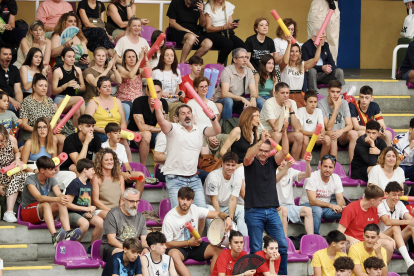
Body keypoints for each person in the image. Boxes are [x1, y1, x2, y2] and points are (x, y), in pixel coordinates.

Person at [155, 98, 221, 211]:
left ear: (192, 115)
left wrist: (212, 118)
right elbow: (161, 121)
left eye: (189, 113)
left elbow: (217, 131)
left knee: (202, 212)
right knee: (180, 215)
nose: (187, 116)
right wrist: (157, 107)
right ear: (177, 118)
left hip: (194, 178)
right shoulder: (173, 128)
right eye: (183, 113)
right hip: (175, 178)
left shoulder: (200, 129)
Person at [243, 128, 289, 275]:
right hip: (254, 211)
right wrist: (261, 141)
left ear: (270, 152)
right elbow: (247, 156)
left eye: (266, 151)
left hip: (272, 210)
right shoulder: (249, 163)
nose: (263, 153)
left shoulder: (272, 162)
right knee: (256, 249)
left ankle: (281, 274)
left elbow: (285, 151)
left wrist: (285, 133)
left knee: (282, 246)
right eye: (261, 150)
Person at [162, 187, 232, 276]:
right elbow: (167, 243)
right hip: (178, 247)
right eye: (182, 199)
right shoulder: (170, 217)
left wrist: (227, 217)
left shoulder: (195, 209)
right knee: (174, 255)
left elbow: (218, 214)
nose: (185, 202)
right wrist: (188, 243)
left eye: (188, 200)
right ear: (178, 199)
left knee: (218, 250)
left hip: (195, 245)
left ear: (192, 201)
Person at [20, 156, 82, 246]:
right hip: (27, 212)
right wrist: (57, 199)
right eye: (51, 169)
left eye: (54, 169)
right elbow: (39, 198)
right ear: (42, 170)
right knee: (46, 204)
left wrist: (63, 197)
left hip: (43, 212)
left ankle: (68, 232)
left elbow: (58, 194)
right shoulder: (30, 180)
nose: (54, 171)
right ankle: (54, 235)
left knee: (60, 203)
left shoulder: (51, 179)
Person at [337, 185, 395, 264]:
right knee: (354, 245)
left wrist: (388, 238)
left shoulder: (374, 209)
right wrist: (351, 239)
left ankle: (381, 270)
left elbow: (375, 231)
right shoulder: (351, 209)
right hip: (352, 241)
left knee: (389, 244)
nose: (382, 202)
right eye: (380, 200)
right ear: (372, 201)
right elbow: (339, 232)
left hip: (368, 239)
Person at [21, 117, 76, 191]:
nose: (42, 130)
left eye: (44, 127)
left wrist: (56, 169)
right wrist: (34, 171)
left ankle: (64, 199)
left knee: (71, 175)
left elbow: (54, 162)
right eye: (39, 127)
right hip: (33, 169)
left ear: (48, 129)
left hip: (48, 170)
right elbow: (23, 165)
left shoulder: (52, 143)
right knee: (29, 177)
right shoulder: (29, 143)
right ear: (36, 130)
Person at [85, 76, 132, 163]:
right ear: (98, 89)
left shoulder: (117, 101)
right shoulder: (93, 102)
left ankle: (129, 168)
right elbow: (86, 123)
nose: (108, 88)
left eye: (109, 86)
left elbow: (123, 122)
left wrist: (120, 132)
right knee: (113, 140)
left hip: (116, 131)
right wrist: (105, 131)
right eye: (104, 87)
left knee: (122, 140)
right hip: (99, 132)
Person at [299, 155, 346, 235]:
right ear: (320, 166)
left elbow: (340, 199)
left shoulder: (336, 178)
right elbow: (312, 201)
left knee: (349, 210)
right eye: (325, 166)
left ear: (334, 168)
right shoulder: (312, 177)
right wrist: (331, 205)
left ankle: (341, 236)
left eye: (330, 167)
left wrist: (342, 207)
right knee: (318, 210)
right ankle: (314, 237)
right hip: (308, 206)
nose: (327, 169)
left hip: (326, 208)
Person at [213, 48, 263, 123]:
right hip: (223, 101)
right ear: (235, 60)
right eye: (242, 57)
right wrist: (242, 99)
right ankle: (227, 128)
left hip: (239, 101)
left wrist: (252, 98)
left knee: (259, 101)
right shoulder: (227, 71)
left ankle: (258, 127)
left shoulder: (248, 71)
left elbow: (253, 91)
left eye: (246, 57)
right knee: (229, 101)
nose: (245, 60)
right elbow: (225, 94)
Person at [100, 188, 149, 263]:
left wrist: (146, 248)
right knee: (124, 255)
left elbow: (144, 239)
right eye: (132, 201)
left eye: (137, 201)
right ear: (123, 200)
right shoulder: (113, 214)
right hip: (113, 247)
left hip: (133, 248)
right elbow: (111, 240)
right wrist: (129, 251)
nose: (135, 205)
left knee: (150, 254)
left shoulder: (140, 218)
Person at [65, 158, 103, 253]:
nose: (94, 172)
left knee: (100, 222)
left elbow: (88, 202)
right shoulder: (75, 183)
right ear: (85, 170)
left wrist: (89, 211)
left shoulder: (89, 185)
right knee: (85, 224)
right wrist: (86, 208)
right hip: (71, 213)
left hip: (83, 213)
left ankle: (92, 248)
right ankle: (73, 248)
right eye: (92, 170)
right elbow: (67, 204)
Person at [204, 151, 247, 235]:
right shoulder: (213, 177)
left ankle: (243, 239)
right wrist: (222, 218)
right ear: (222, 164)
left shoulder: (237, 177)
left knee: (242, 210)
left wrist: (229, 219)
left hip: (226, 205)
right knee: (212, 212)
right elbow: (214, 200)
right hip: (210, 205)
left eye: (233, 165)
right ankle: (214, 240)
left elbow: (233, 199)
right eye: (228, 165)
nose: (230, 168)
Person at [128, 79, 168, 166]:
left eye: (158, 92)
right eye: (153, 92)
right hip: (134, 135)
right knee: (146, 134)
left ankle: (165, 168)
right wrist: (161, 128)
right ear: (148, 92)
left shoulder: (163, 103)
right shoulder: (138, 101)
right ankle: (143, 166)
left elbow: (167, 126)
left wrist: (160, 109)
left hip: (153, 136)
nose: (156, 96)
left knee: (169, 134)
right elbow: (142, 127)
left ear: (162, 92)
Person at [18, 74, 65, 148]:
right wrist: (40, 130)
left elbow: (53, 121)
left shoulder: (49, 100)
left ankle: (57, 159)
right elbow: (24, 125)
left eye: (46, 86)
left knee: (62, 139)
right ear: (34, 87)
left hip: (46, 132)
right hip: (32, 132)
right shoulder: (27, 101)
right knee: (54, 139)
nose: (44, 88)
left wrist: (56, 127)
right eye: (41, 86)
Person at [260, 82, 303, 160]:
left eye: (287, 93)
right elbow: (276, 128)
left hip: (282, 133)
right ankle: (272, 164)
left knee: (299, 135)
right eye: (282, 93)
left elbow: (297, 128)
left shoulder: (292, 103)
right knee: (277, 135)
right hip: (265, 134)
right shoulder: (269, 103)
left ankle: (292, 166)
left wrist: (291, 110)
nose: (286, 95)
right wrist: (284, 108)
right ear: (275, 93)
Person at [318, 80, 357, 162]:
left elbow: (350, 125)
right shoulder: (321, 103)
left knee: (353, 133)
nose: (335, 94)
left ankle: (352, 166)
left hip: (340, 134)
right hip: (327, 134)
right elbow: (328, 127)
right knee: (333, 134)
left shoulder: (344, 103)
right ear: (328, 91)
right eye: (333, 92)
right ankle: (334, 165)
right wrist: (336, 108)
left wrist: (341, 131)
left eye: (338, 92)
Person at [102, 123, 145, 196]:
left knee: (141, 176)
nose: (118, 135)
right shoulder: (103, 146)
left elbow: (127, 165)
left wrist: (127, 173)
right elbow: (105, 168)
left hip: (121, 173)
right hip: (109, 174)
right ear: (108, 135)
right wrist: (122, 174)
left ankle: (135, 202)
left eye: (119, 133)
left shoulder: (121, 147)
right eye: (115, 133)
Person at [378, 181, 414, 268]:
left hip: (397, 240)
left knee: (411, 227)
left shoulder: (400, 204)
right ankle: (409, 262)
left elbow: (410, 220)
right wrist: (407, 221)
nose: (397, 197)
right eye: (394, 194)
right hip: (382, 239)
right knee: (395, 227)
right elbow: (387, 221)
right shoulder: (380, 205)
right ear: (386, 194)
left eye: (399, 195)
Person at [276, 154, 313, 236]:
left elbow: (307, 174)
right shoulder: (273, 171)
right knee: (284, 210)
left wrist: (307, 163)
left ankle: (311, 239)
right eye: (281, 160)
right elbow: (274, 180)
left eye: (285, 160)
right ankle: (284, 240)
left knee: (308, 210)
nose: (283, 163)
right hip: (277, 206)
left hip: (290, 206)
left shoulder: (291, 171)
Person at [279, 36, 322, 107]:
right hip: (286, 95)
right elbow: (285, 61)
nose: (294, 54)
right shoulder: (283, 65)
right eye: (292, 51)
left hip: (299, 96)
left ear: (299, 54)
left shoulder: (302, 65)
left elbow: (315, 60)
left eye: (296, 51)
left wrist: (319, 46)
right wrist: (289, 44)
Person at [188, 76, 226, 155]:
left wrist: (214, 136)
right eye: (201, 87)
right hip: (200, 134)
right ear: (195, 88)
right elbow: (193, 125)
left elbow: (216, 124)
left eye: (206, 86)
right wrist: (208, 136)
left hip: (212, 133)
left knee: (227, 138)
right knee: (203, 139)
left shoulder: (211, 104)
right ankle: (206, 164)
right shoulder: (191, 103)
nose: (204, 89)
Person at [52, 47, 86, 129]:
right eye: (69, 57)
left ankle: (75, 130)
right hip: (60, 99)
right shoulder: (58, 71)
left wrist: (78, 87)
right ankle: (86, 122)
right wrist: (66, 85)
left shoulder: (77, 70)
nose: (72, 59)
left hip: (73, 98)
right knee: (80, 99)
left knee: (77, 110)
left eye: (73, 57)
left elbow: (84, 88)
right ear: (63, 58)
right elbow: (54, 91)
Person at [203, 0, 245, 65]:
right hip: (213, 32)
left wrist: (233, 26)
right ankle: (218, 67)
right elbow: (208, 28)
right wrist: (223, 27)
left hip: (226, 32)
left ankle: (233, 67)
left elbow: (229, 25)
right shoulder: (208, 6)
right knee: (228, 44)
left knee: (242, 46)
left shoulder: (228, 5)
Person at [0, 124, 28, 223]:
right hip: (1, 173)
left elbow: (17, 152)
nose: (0, 143)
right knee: (16, 179)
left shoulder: (11, 140)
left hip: (12, 170)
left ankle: (26, 209)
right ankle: (9, 211)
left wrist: (17, 159)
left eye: (2, 140)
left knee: (26, 177)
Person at [91, 147, 125, 220]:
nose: (109, 162)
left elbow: (122, 198)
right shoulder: (96, 178)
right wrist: (111, 211)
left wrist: (120, 210)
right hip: (100, 210)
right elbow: (95, 201)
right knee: (112, 216)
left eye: (111, 159)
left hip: (116, 211)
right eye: (106, 160)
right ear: (100, 162)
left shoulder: (120, 177)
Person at [152, 47, 184, 120]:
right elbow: (152, 91)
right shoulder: (156, 72)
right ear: (163, 58)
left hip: (174, 101)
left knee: (185, 108)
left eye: (172, 55)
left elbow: (177, 91)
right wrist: (162, 93)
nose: (170, 57)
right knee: (179, 109)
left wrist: (181, 93)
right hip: (161, 101)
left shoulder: (177, 71)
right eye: (167, 55)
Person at [297, 90, 331, 160]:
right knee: (305, 139)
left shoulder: (318, 111)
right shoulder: (300, 111)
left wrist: (321, 135)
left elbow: (322, 129)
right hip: (305, 137)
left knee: (327, 139)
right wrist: (315, 135)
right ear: (305, 102)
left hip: (315, 137)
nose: (313, 104)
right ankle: (303, 163)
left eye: (315, 102)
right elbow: (300, 130)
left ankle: (321, 164)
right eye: (310, 102)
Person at [117, 48, 148, 121]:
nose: (131, 59)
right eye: (129, 57)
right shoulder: (120, 69)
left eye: (133, 57)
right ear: (124, 60)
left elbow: (148, 74)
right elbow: (130, 75)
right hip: (124, 100)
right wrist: (140, 60)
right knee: (131, 106)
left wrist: (146, 59)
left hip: (138, 100)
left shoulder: (140, 70)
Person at [0, 45, 23, 112]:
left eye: (10, 54)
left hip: (11, 100)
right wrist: (11, 100)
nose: (8, 56)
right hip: (2, 99)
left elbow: (18, 90)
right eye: (5, 54)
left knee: (23, 109)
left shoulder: (14, 69)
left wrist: (20, 103)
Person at [393, 118, 414, 182]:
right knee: (398, 171)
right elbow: (396, 158)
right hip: (398, 166)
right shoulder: (398, 139)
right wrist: (409, 147)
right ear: (410, 130)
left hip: (412, 168)